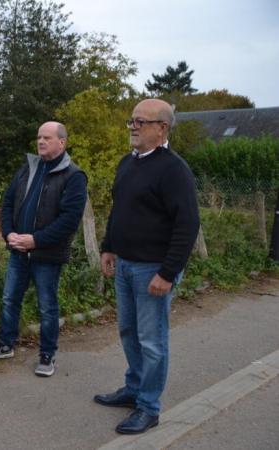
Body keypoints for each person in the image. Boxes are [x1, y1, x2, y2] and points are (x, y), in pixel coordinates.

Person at [94, 99, 200, 434]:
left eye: (141, 121)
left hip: (152, 270)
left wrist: (167, 273)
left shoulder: (174, 170)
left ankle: (149, 407)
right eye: (131, 121)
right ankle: (134, 388)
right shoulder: (128, 163)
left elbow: (187, 224)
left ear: (162, 128)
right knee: (128, 332)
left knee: (152, 341)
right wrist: (108, 246)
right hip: (125, 266)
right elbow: (118, 209)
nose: (133, 127)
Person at [0, 121, 87, 377]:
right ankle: (6, 344)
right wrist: (9, 233)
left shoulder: (73, 176)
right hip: (18, 250)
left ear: (62, 142)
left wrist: (35, 240)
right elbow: (7, 203)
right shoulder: (27, 169)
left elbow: (69, 221)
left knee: (47, 307)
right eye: (39, 137)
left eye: (47, 137)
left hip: (47, 255)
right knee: (9, 299)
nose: (40, 141)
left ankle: (47, 355)